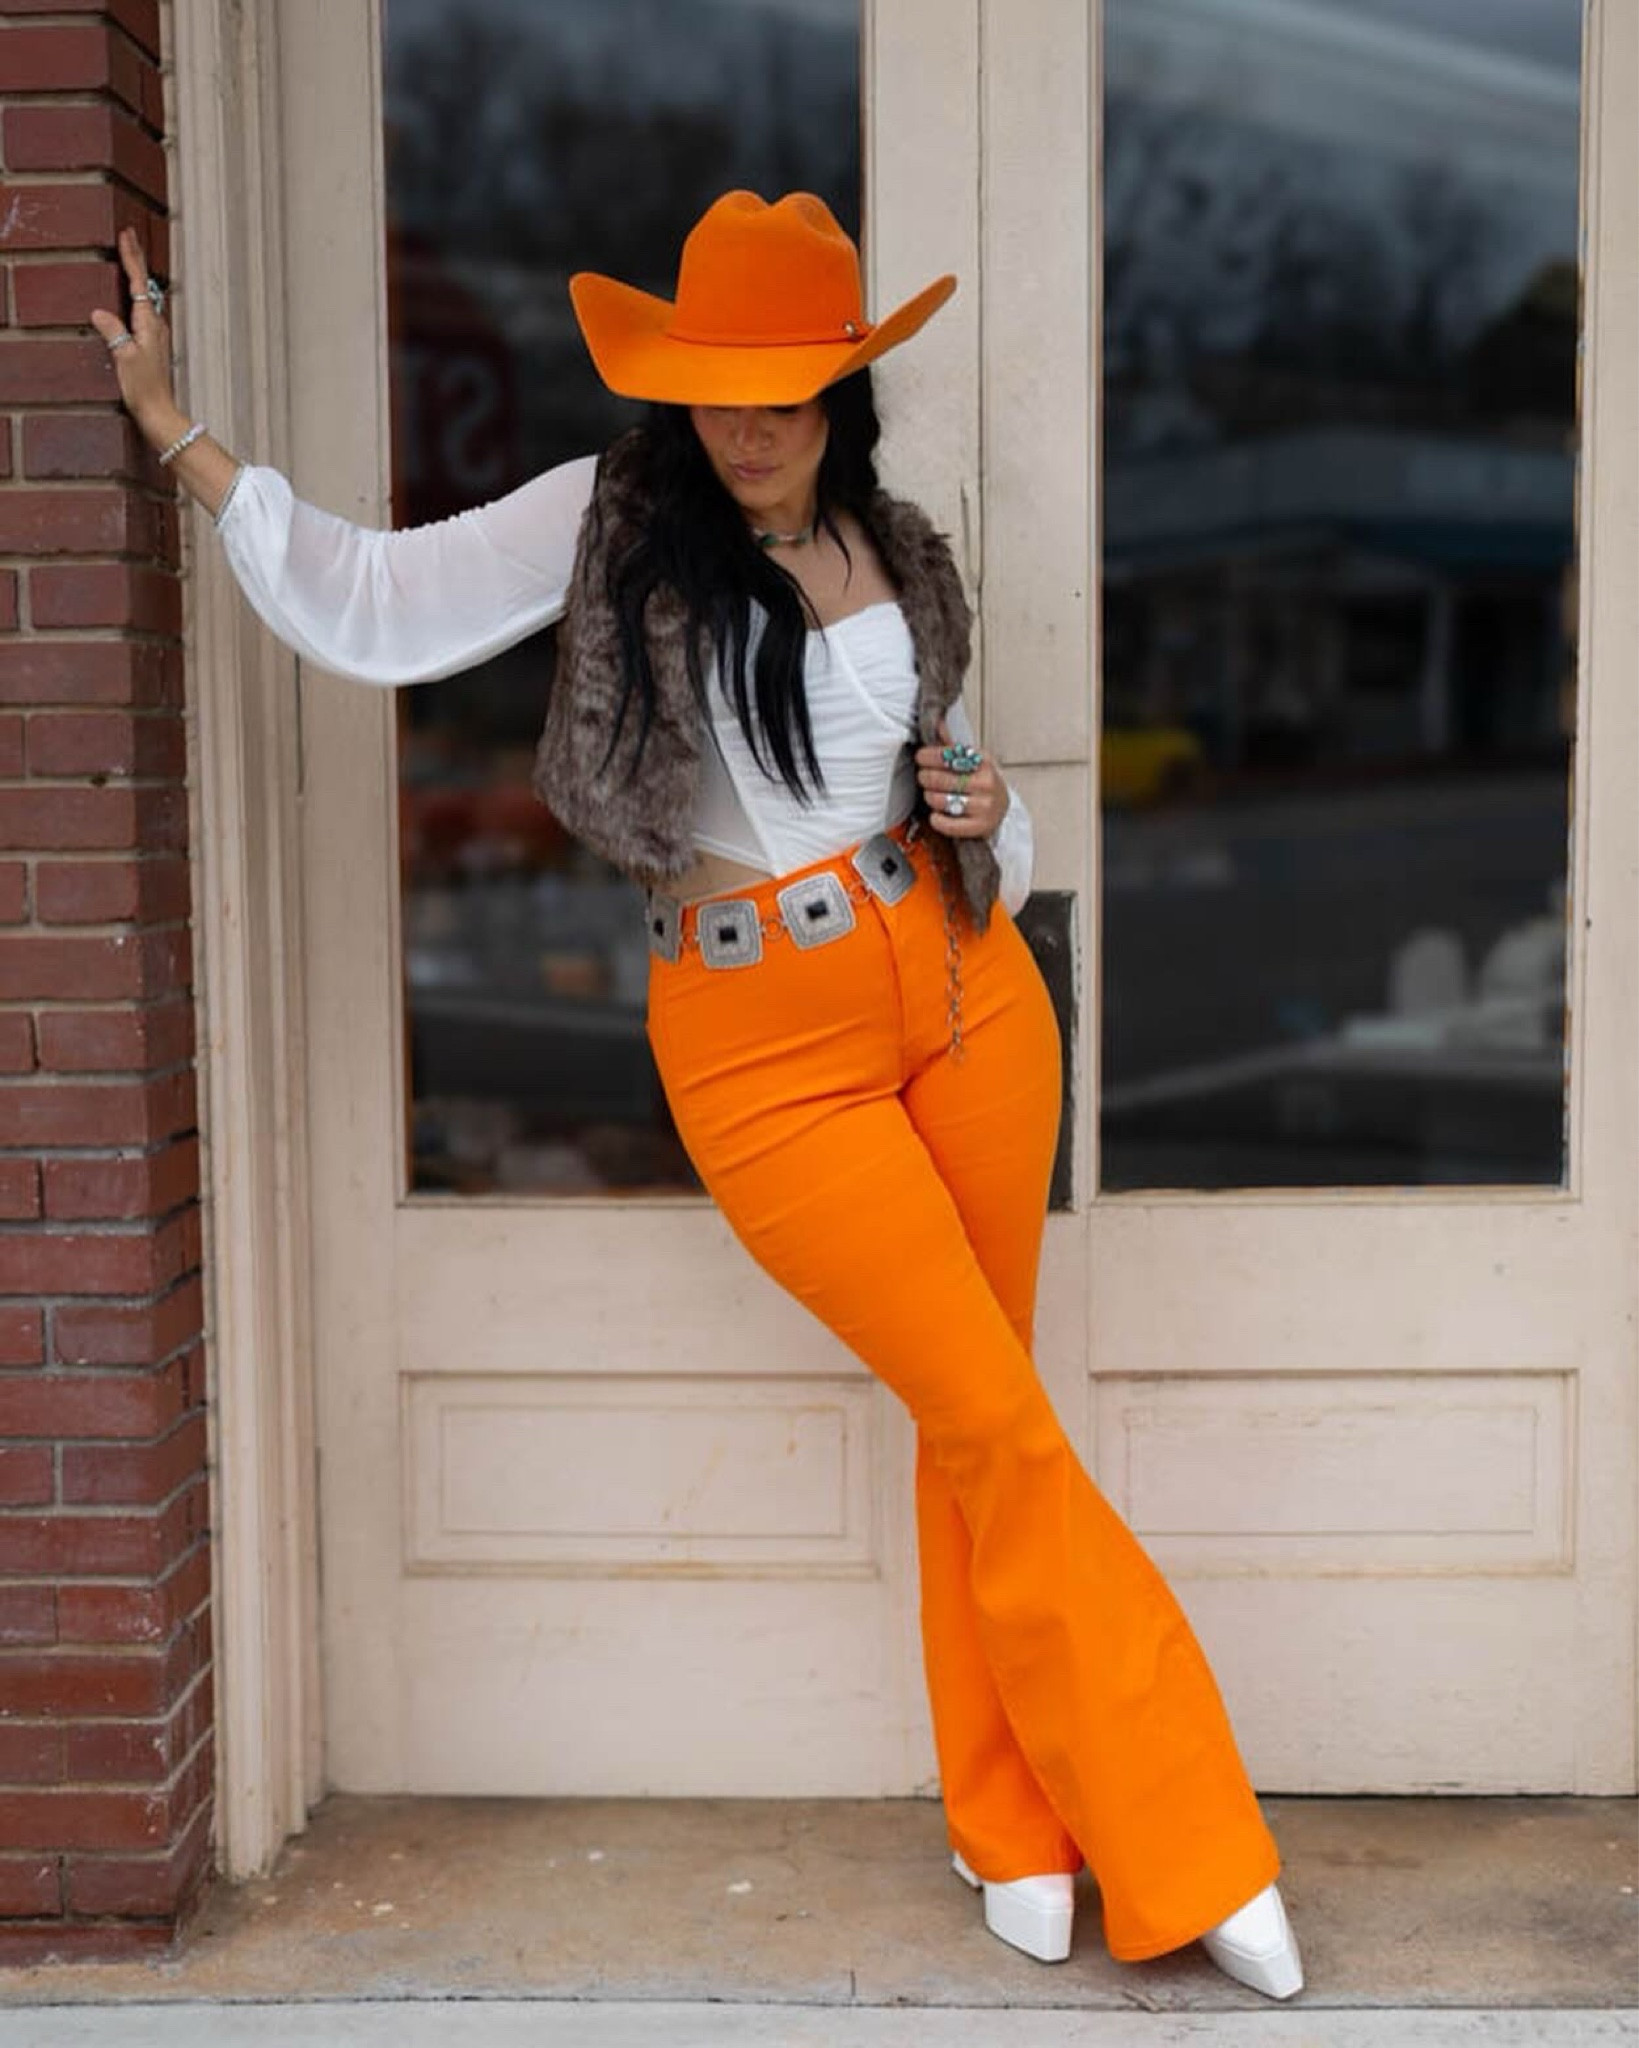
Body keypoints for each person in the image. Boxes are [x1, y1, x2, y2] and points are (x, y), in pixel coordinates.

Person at [93, 191, 1303, 2000]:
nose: (748, 422)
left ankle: (1010, 1828)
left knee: (976, 1428)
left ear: (842, 393)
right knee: (1004, 1431)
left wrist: (988, 816)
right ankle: (1193, 1845)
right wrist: (180, 429)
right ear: (673, 386)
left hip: (972, 995)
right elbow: (374, 594)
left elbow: (944, 794)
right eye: (717, 385)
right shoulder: (611, 528)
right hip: (764, 1050)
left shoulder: (898, 546)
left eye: (787, 388)